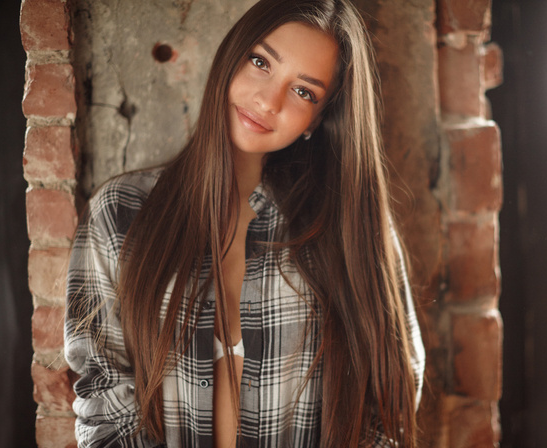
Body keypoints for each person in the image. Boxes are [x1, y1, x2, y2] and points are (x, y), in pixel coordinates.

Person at [64, 0, 425, 447]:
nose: (267, 100)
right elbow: (104, 399)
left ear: (318, 119)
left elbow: (389, 405)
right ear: (231, 56)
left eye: (303, 92)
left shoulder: (349, 227)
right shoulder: (120, 213)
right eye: (260, 62)